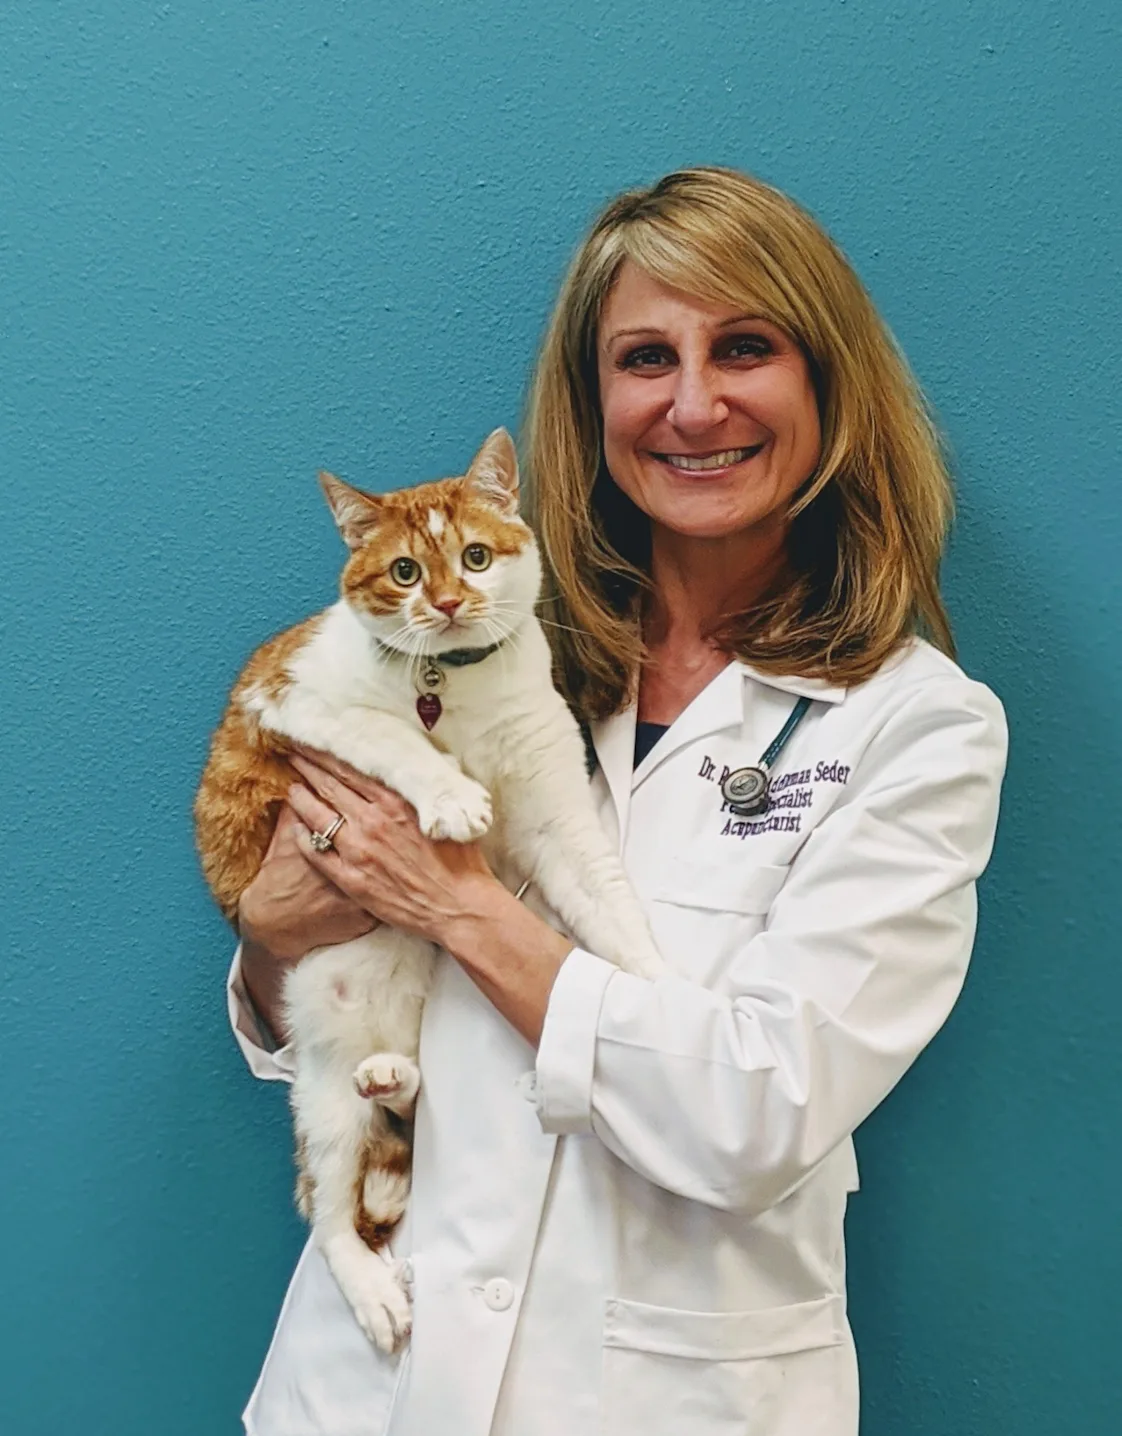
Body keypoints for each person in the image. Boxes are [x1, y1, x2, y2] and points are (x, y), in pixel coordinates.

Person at [228, 166, 1007, 1436]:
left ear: (827, 384)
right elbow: (304, 1024)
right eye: (646, 357)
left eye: (744, 347)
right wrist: (273, 937)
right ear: (593, 406)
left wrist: (464, 906)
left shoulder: (915, 724)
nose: (693, 403)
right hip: (365, 1384)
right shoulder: (481, 650)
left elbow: (760, 1112)